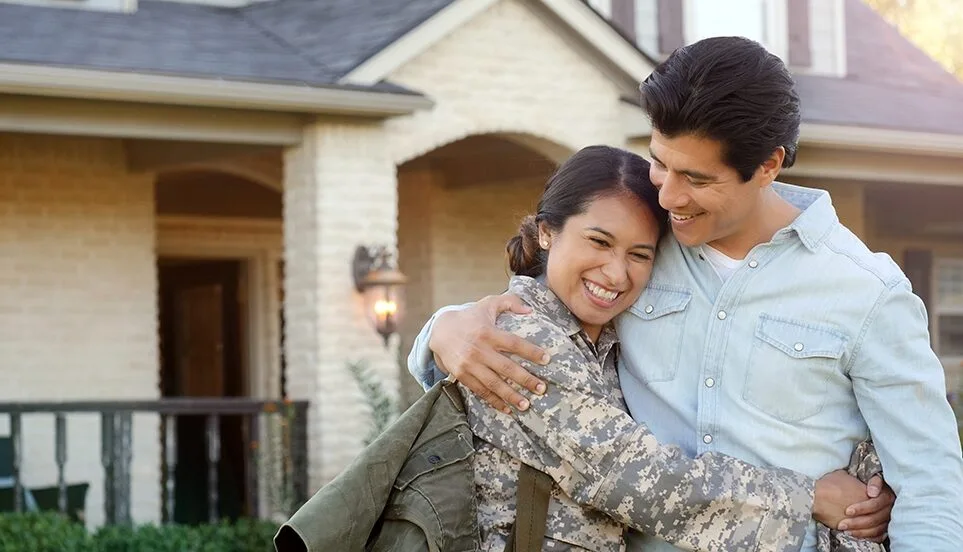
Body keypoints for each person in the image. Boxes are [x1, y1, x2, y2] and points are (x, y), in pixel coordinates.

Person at [408, 36, 963, 552]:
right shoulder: (640, 246)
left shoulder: (867, 291)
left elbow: (930, 486)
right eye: (659, 162)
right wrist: (442, 327)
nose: (670, 196)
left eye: (696, 178)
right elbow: (545, 314)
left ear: (767, 164)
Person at [457, 144, 886, 551]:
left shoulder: (607, 336)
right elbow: (637, 477)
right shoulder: (521, 338)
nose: (615, 274)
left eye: (639, 255)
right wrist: (809, 497)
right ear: (546, 232)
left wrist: (867, 478)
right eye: (600, 242)